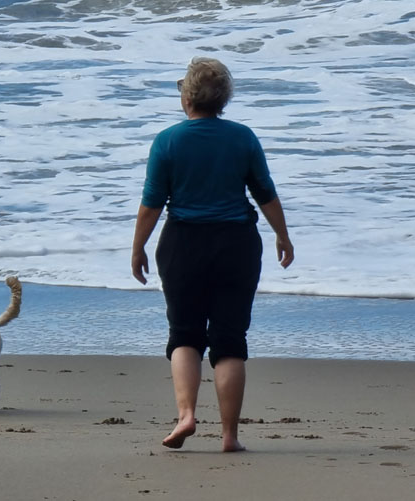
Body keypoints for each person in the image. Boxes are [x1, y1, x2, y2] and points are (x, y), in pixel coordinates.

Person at [131, 57, 294, 452]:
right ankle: (229, 436)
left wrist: (137, 247)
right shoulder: (243, 138)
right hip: (236, 244)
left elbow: (152, 204)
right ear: (224, 99)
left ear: (187, 97)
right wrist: (282, 235)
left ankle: (186, 415)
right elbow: (265, 192)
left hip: (183, 244)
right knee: (230, 339)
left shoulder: (168, 140)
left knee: (184, 334)